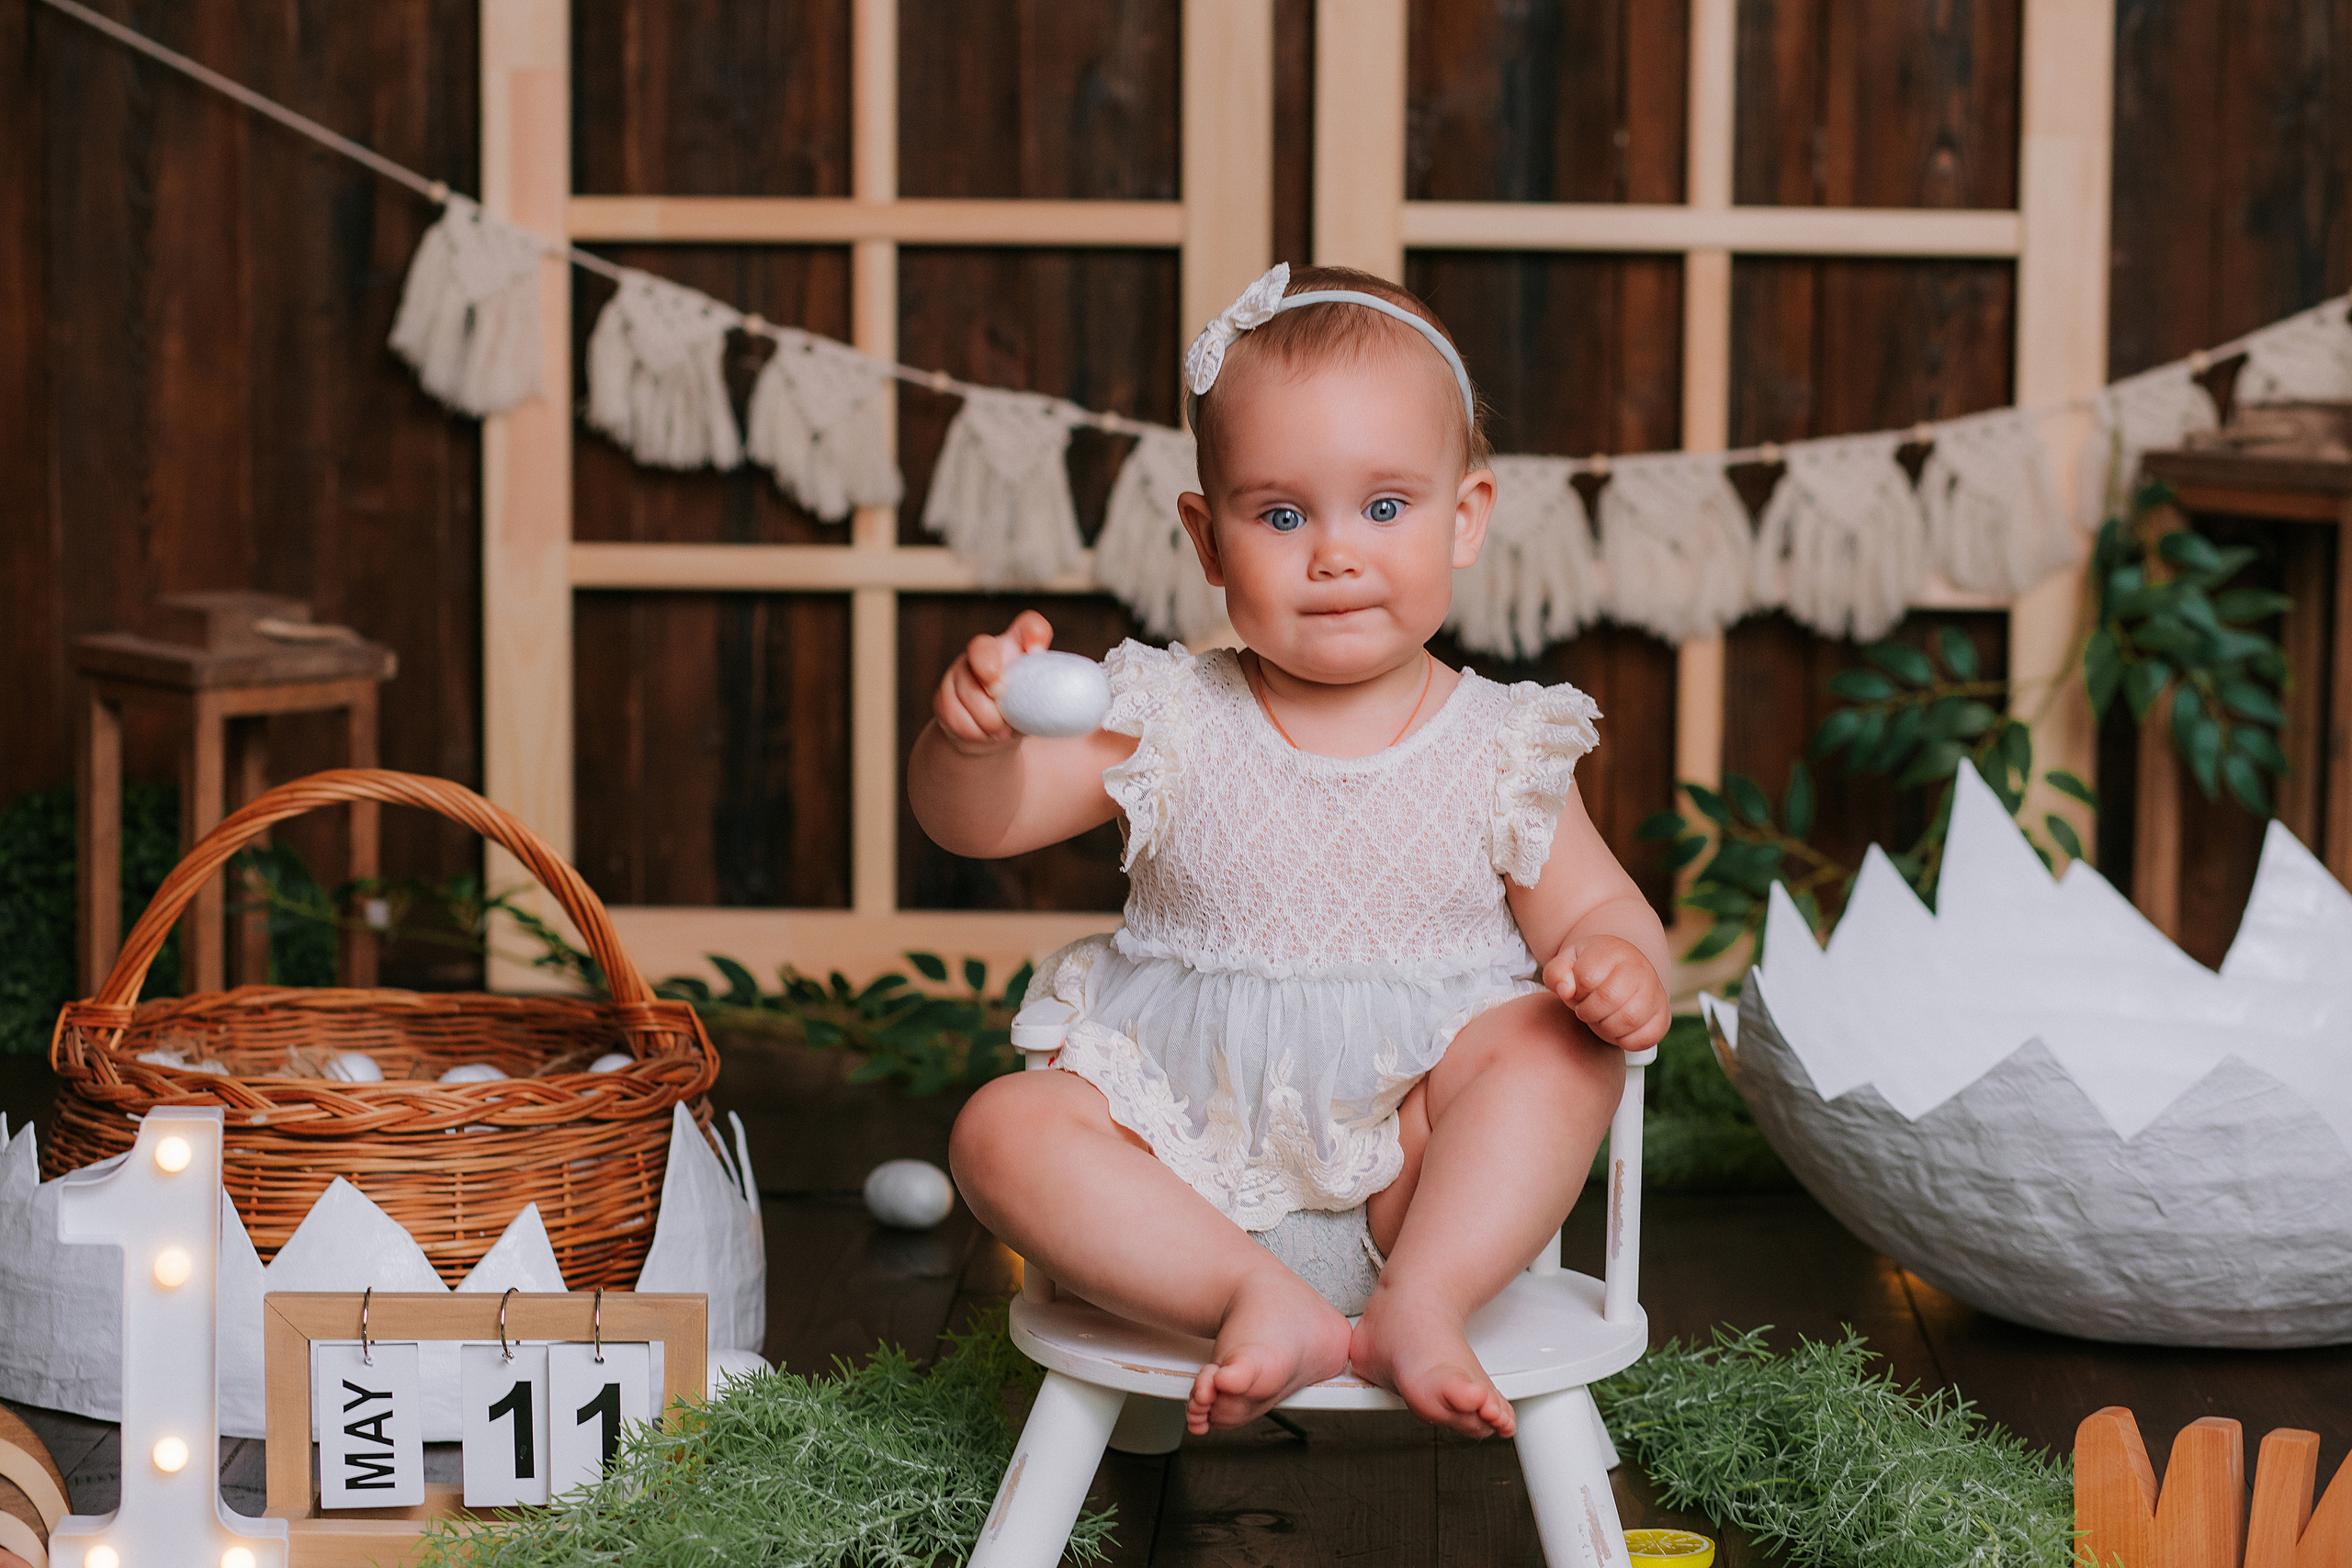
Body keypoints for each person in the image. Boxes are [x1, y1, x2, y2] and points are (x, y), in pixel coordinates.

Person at [910, 264, 1670, 1442]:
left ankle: (1423, 1303)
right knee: (1000, 1131)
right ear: (1207, 541)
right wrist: (970, 743)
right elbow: (978, 824)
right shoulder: (1160, 713)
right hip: (1169, 1170)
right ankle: (1250, 1295)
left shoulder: (1503, 745)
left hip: (1418, 1183)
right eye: (1280, 515)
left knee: (1556, 1049)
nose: (1333, 554)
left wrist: (1615, 962)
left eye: (1383, 508)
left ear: (1464, 516)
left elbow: (1597, 912)